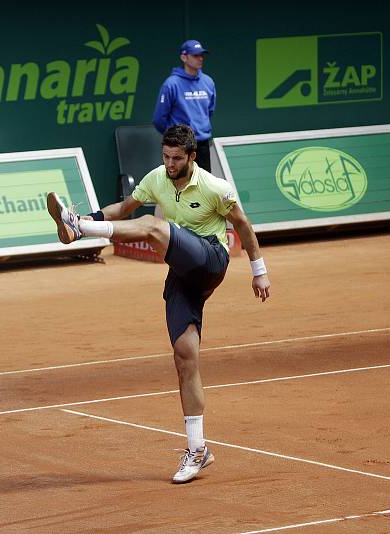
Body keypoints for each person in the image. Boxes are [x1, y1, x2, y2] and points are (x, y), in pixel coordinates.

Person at [47, 125, 270, 484]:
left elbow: (243, 225)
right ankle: (198, 450)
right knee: (185, 358)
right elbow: (124, 207)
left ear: (192, 157)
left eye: (176, 158)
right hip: (183, 275)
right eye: (165, 157)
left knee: (153, 226)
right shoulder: (156, 178)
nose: (169, 164)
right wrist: (96, 214)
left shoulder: (215, 187)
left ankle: (77, 228)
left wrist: (259, 271)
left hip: (210, 259)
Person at [152, 39, 216, 172]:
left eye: (201, 55)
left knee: (202, 186)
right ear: (183, 57)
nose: (200, 59)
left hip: (202, 145)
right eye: (195, 55)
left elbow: (209, 111)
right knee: (178, 186)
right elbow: (159, 119)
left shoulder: (208, 82)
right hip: (179, 146)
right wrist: (174, 138)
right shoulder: (171, 84)